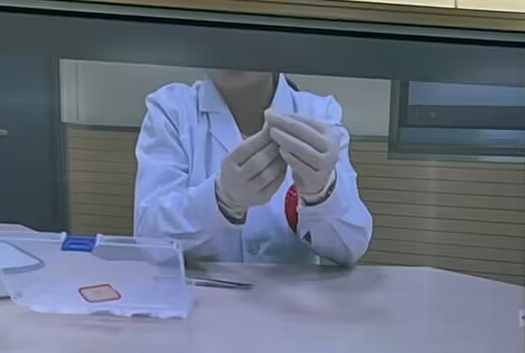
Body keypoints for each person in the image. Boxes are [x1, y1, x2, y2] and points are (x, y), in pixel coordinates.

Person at [133, 68, 372, 266]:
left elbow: (351, 246)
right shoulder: (171, 110)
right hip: (200, 304)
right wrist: (221, 200)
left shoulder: (318, 112)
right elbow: (151, 241)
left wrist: (322, 194)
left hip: (294, 306)